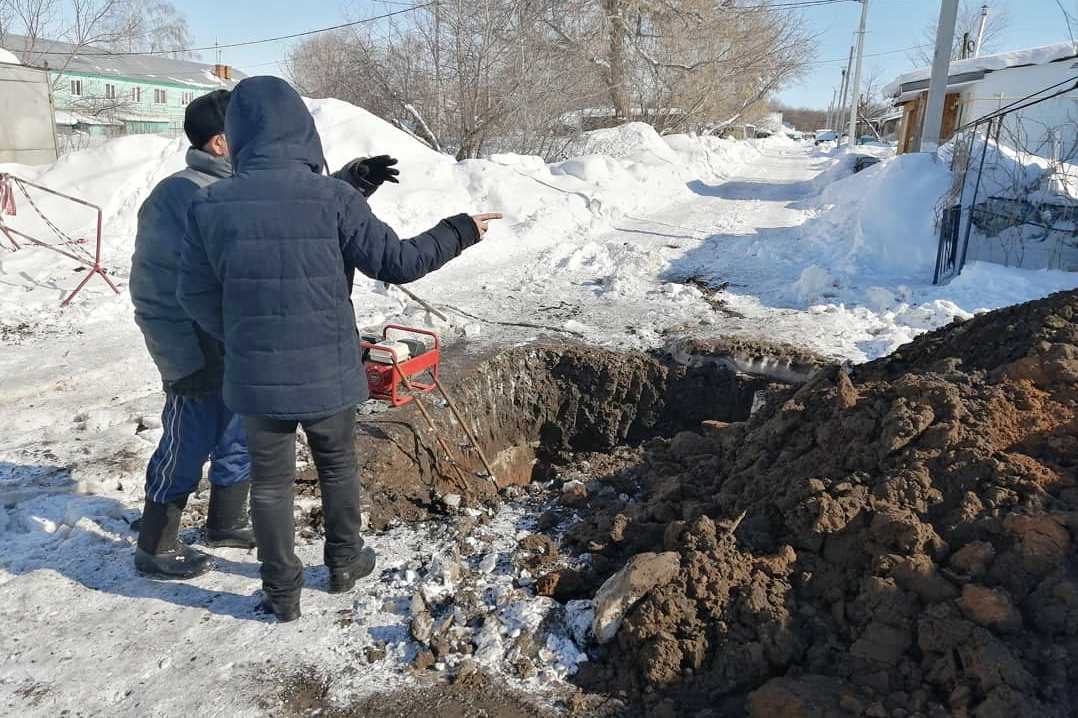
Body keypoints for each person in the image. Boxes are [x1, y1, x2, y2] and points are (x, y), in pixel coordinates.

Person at [177, 76, 501, 622]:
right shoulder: (332, 197)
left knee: (272, 484)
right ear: (301, 128)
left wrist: (241, 337)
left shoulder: (211, 205)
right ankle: (345, 560)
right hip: (328, 368)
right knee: (337, 467)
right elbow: (397, 261)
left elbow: (193, 293)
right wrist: (459, 229)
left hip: (256, 376)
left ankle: (282, 593)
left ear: (241, 133)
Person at [129, 89, 255, 580]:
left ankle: (227, 522)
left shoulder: (241, 189)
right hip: (194, 348)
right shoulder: (179, 194)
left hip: (235, 342)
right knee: (187, 440)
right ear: (221, 142)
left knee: (236, 433)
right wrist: (181, 356)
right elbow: (154, 287)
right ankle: (156, 545)